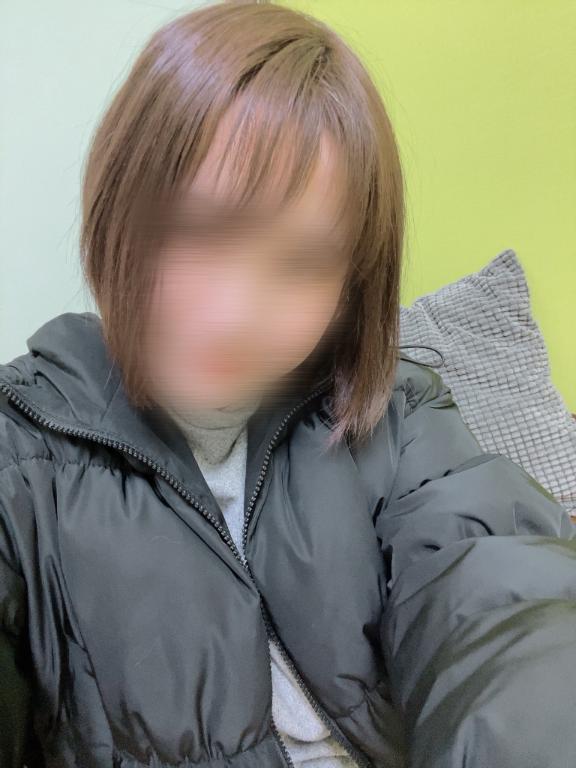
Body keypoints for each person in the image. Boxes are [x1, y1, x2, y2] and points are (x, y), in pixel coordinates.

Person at [1, 2, 576, 767]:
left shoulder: (399, 413)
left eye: (302, 264)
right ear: (119, 212)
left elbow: (505, 606)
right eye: (197, 232)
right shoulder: (20, 458)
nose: (234, 317)